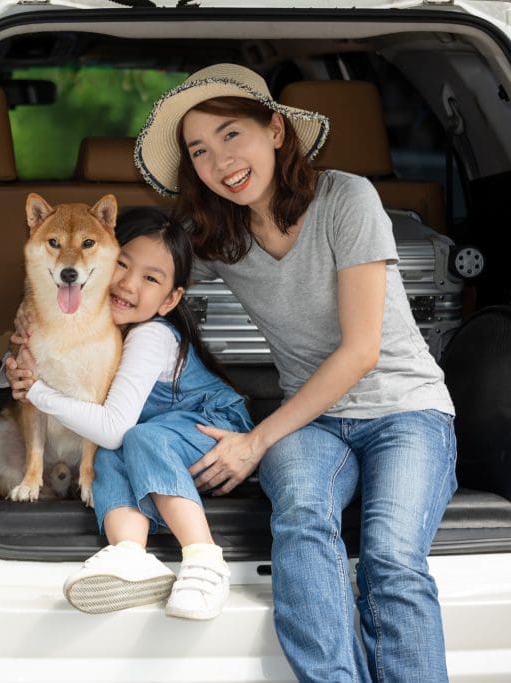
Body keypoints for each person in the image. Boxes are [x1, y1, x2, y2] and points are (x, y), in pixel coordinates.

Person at [134, 63, 457, 681]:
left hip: (405, 411)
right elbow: (137, 280)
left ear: (276, 131)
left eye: (231, 135)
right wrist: (37, 350)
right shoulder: (215, 235)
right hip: (311, 425)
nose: (219, 161)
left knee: (390, 560)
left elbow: (361, 351)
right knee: (303, 524)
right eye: (199, 151)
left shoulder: (347, 198)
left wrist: (255, 441)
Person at [6, 207, 253, 620]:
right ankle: (129, 554)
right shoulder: (94, 321)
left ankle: (204, 559)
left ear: (171, 300)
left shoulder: (151, 336)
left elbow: (114, 426)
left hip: (211, 429)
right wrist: (14, 366)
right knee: (106, 457)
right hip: (150, 444)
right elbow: (54, 363)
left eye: (151, 278)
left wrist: (39, 394)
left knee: (133, 438)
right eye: (121, 264)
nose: (126, 283)